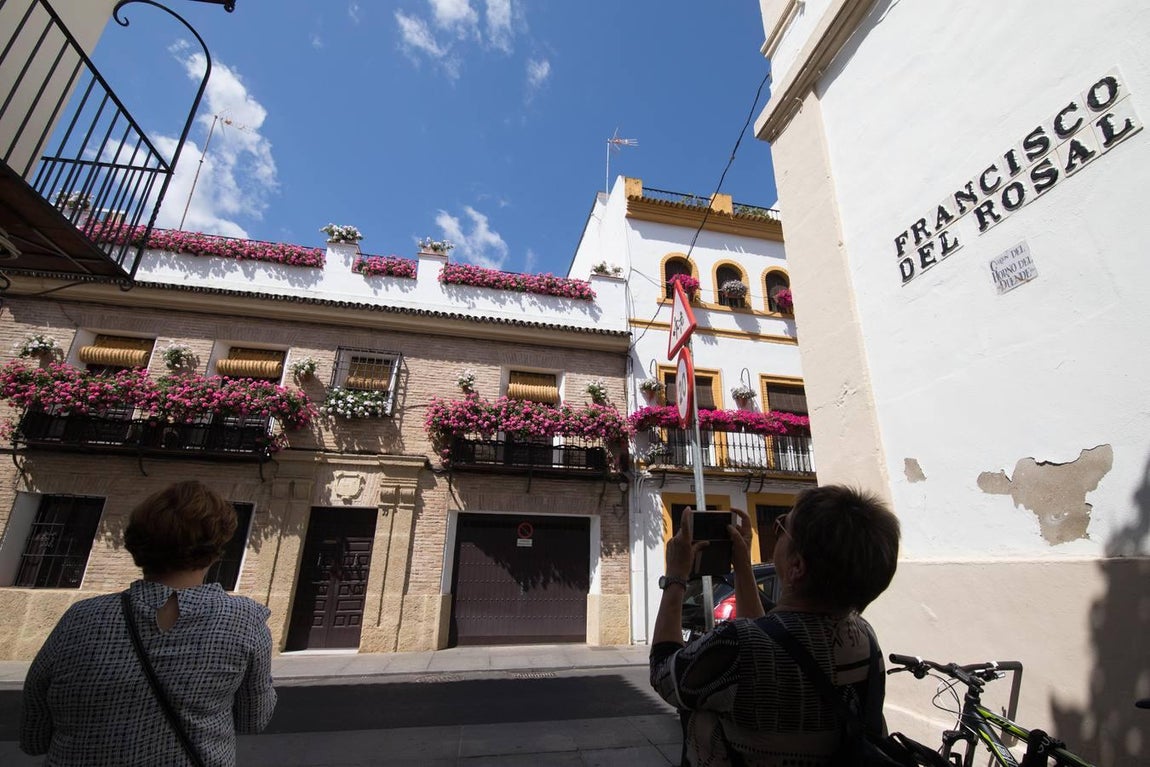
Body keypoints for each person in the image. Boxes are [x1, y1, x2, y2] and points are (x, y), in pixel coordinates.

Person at [21, 480, 277, 766]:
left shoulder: (81, 619)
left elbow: (34, 735)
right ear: (217, 548)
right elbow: (254, 719)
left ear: (137, 543)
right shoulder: (245, 621)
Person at [650, 485, 901, 766]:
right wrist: (743, 563)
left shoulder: (736, 645)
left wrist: (675, 576)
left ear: (797, 566)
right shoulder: (865, 637)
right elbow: (768, 636)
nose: (777, 533)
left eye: (782, 528)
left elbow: (663, 674)